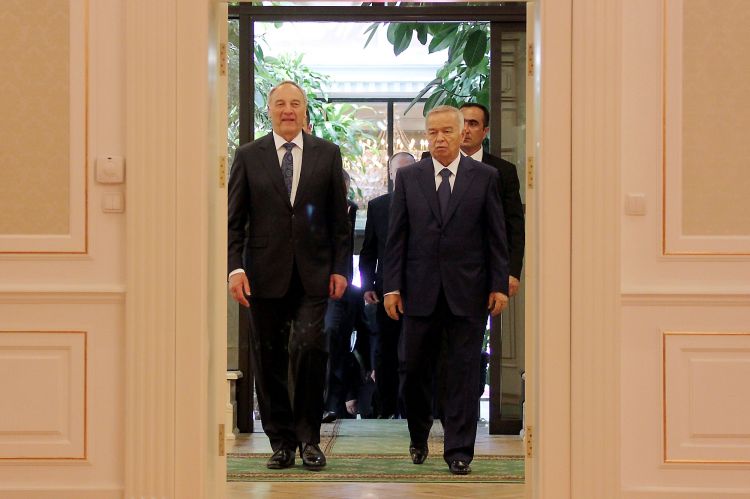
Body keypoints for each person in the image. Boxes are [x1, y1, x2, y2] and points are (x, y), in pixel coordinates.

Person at [227, 80, 350, 471]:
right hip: (263, 274)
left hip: (315, 273)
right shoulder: (249, 155)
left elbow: (339, 220)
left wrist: (341, 268)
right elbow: (234, 221)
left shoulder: (327, 154)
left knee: (310, 349)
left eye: (295, 103)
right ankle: (281, 442)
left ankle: (309, 439)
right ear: (270, 110)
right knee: (269, 358)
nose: (288, 110)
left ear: (304, 109)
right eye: (280, 103)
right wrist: (235, 268)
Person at [384, 105, 509, 475]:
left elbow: (496, 236)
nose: (439, 139)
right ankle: (418, 433)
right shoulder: (409, 177)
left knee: (464, 373)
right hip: (418, 291)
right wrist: (392, 287)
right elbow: (396, 237)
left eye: (446, 132)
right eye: (433, 132)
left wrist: (498, 285)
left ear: (461, 134)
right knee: (413, 370)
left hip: (467, 291)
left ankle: (459, 450)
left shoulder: (484, 177)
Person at [423, 102, 525, 296]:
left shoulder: (501, 171)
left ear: (485, 131)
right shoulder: (427, 163)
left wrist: (512, 271)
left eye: (473, 123)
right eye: (463, 123)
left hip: (482, 273)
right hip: (432, 276)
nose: (467, 129)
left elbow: (513, 226)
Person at [359, 151, 416, 418]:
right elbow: (369, 248)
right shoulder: (378, 206)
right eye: (398, 171)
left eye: (408, 170)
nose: (402, 175)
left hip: (420, 288)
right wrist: (367, 284)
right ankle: (386, 409)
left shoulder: (428, 202)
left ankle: (413, 408)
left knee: (416, 350)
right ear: (391, 174)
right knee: (385, 350)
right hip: (385, 288)